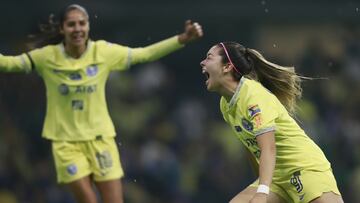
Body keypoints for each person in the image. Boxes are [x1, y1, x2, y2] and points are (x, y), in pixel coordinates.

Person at [0, 4, 203, 203]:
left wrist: (181, 39)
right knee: (88, 199)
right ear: (62, 28)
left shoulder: (103, 52)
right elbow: (9, 64)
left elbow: (144, 54)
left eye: (82, 23)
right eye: (71, 24)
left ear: (88, 26)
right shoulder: (48, 57)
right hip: (66, 144)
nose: (77, 28)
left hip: (101, 141)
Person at [200, 42, 344, 203]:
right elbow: (251, 148)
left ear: (227, 67)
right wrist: (262, 183)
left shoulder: (253, 97)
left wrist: (262, 192)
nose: (202, 62)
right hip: (275, 178)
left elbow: (268, 147)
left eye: (209, 58)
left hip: (304, 168)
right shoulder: (225, 104)